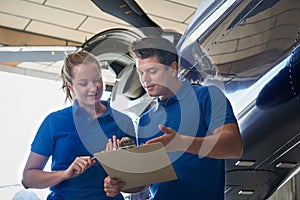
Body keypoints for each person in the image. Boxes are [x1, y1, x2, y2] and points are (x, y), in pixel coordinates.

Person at [104, 37, 243, 199]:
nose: (144, 79)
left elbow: (234, 145)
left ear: (173, 68)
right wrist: (120, 183)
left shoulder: (208, 96)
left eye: (152, 71)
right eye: (141, 72)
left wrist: (182, 143)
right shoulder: (144, 120)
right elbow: (145, 181)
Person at [22, 51, 135, 200]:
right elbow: (28, 179)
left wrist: (118, 183)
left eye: (97, 80)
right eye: (83, 83)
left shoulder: (123, 122)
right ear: (70, 86)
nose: (93, 88)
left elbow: (139, 183)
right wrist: (65, 174)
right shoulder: (55, 122)